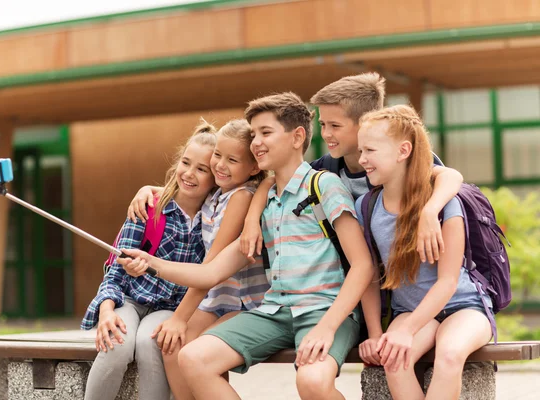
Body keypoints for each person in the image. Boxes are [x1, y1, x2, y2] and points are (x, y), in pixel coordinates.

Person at [120, 92, 375, 400]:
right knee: (193, 357)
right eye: (253, 134)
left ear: (297, 137)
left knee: (312, 382)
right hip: (275, 311)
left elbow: (363, 266)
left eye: (265, 133)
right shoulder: (262, 202)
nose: (256, 142)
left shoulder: (324, 186)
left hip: (324, 310)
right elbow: (211, 273)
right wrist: (151, 261)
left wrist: (327, 327)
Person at [240, 72, 463, 268]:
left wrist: (430, 211)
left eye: (335, 126)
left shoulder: (400, 161)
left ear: (367, 122)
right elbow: (277, 180)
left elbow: (451, 176)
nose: (326, 134)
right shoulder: (326, 170)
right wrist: (251, 221)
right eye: (323, 125)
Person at [355, 105, 492, 400]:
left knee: (450, 355)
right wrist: (377, 333)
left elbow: (448, 282)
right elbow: (369, 276)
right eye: (360, 150)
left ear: (403, 151)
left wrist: (407, 331)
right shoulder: (366, 208)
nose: (361, 159)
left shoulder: (445, 204)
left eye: (370, 150)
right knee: (394, 361)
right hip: (411, 311)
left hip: (464, 307)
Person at [81, 119, 217, 400]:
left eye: (202, 169)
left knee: (151, 343)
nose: (189, 174)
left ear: (216, 176)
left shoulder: (215, 220)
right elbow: (114, 273)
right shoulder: (148, 207)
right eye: (185, 163)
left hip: (171, 307)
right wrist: (106, 311)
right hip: (128, 300)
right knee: (116, 342)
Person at [148, 119, 270, 400]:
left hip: (244, 301)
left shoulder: (241, 197)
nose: (220, 165)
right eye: (217, 155)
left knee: (198, 351)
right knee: (171, 348)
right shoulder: (216, 195)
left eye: (232, 159)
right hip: (216, 299)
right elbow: (179, 190)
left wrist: (180, 318)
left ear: (253, 168)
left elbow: (211, 266)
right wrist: (148, 190)